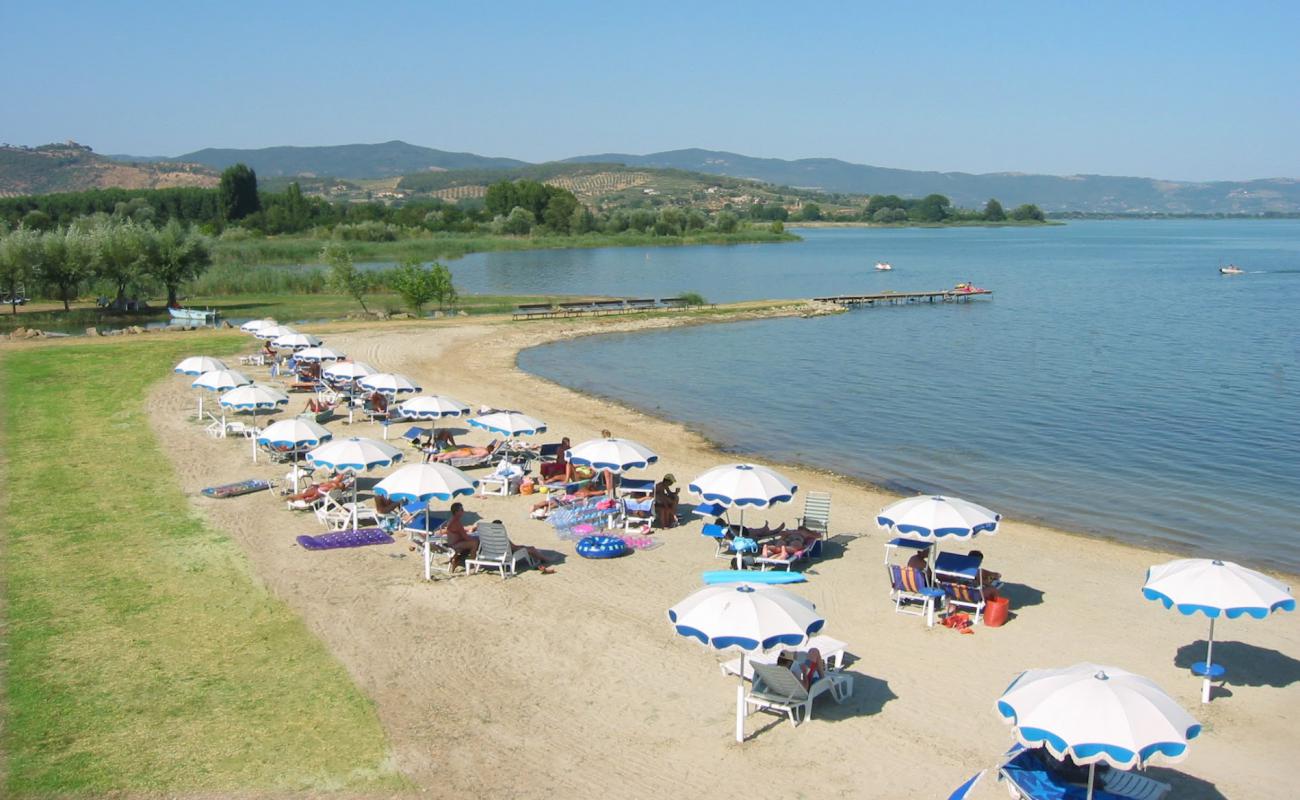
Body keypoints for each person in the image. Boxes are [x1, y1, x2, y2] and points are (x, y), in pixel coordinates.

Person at [440, 502, 480, 571]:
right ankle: (472, 564)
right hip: (454, 545)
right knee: (475, 543)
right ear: (456, 512)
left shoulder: (452, 520)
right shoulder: (456, 522)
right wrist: (475, 538)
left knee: (473, 540)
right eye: (461, 510)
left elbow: (461, 534)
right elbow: (466, 537)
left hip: (454, 543)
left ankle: (457, 560)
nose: (463, 511)